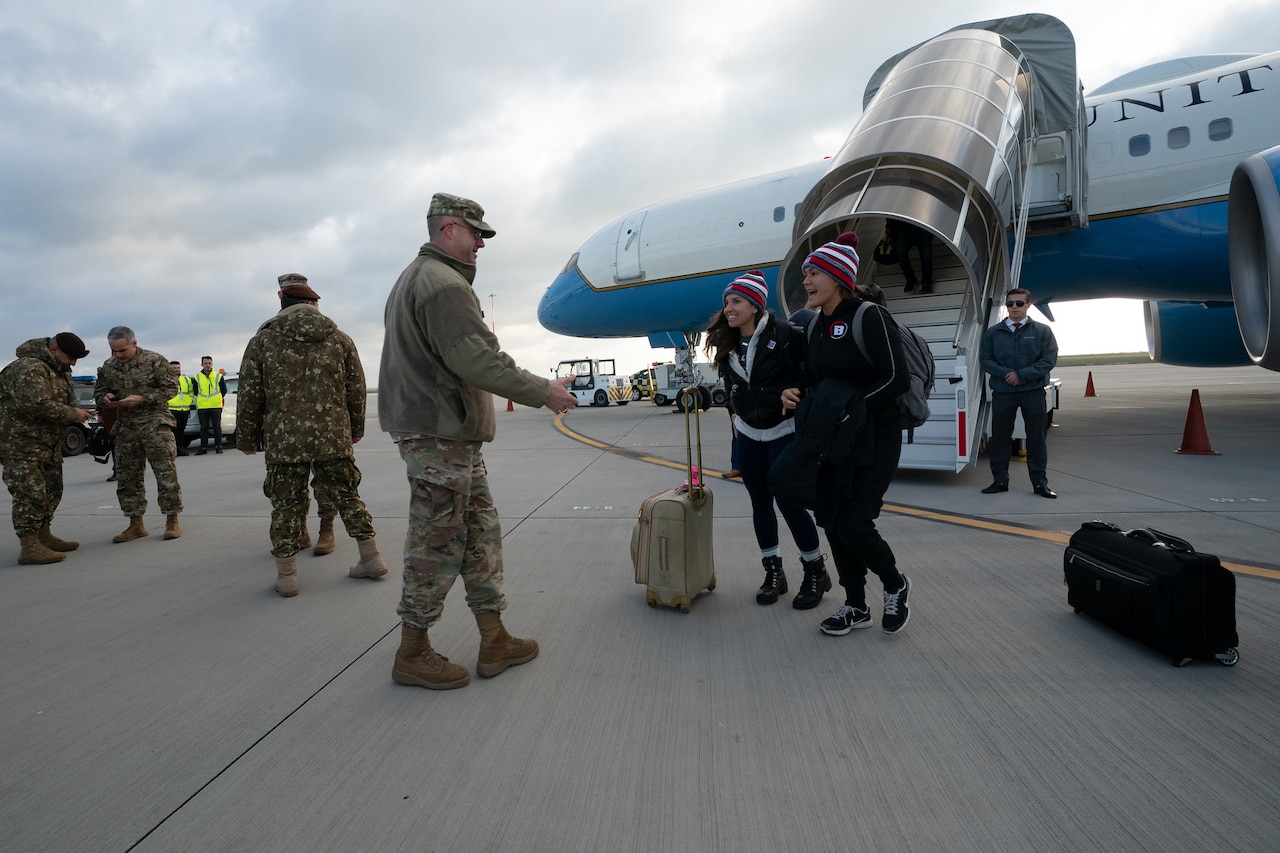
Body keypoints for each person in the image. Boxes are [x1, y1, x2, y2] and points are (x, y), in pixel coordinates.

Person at [379, 192, 579, 691]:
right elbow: (476, 359)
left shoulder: (419, 278)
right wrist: (543, 390)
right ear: (448, 229)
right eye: (476, 234)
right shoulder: (442, 284)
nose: (480, 245)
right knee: (437, 541)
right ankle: (412, 651)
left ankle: (494, 638)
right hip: (439, 434)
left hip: (449, 435)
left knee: (478, 535)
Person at [780, 232, 913, 636]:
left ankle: (894, 584)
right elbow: (816, 381)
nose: (807, 281)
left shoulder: (868, 316)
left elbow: (897, 378)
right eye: (806, 273)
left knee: (855, 523)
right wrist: (793, 392)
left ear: (839, 277)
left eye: (815, 272)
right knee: (833, 522)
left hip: (876, 437)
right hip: (838, 440)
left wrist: (851, 409)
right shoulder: (816, 326)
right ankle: (855, 605)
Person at [237, 273, 389, 597]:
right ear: (312, 303)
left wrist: (248, 439)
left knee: (285, 506)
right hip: (332, 436)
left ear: (282, 301)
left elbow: (250, 393)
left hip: (284, 440)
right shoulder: (339, 338)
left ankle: (288, 576)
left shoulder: (262, 340)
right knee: (348, 496)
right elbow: (356, 389)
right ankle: (371, 557)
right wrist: (355, 430)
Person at [703, 271, 827, 608]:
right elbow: (734, 389)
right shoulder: (727, 344)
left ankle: (815, 568)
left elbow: (810, 378)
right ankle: (774, 571)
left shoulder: (787, 335)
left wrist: (794, 392)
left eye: (736, 301)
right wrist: (735, 415)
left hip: (782, 432)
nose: (729, 308)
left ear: (756, 306)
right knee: (760, 503)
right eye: (727, 302)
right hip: (748, 433)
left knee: (789, 502)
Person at [0, 333, 93, 564]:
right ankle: (29, 547)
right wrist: (73, 414)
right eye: (71, 357)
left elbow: (65, 400)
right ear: (53, 350)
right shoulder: (29, 368)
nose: (73, 363)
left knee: (52, 491)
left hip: (47, 443)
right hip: (20, 444)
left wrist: (79, 409)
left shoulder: (58, 370)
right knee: (30, 495)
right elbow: (35, 404)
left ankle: (43, 536)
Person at [94, 326, 183, 542]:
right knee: (127, 477)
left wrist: (142, 398)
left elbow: (171, 389)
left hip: (155, 423)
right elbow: (98, 391)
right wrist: (104, 398)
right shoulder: (108, 366)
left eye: (122, 350)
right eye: (114, 351)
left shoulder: (155, 361)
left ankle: (172, 520)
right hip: (126, 426)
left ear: (134, 343)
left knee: (165, 473)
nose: (118, 355)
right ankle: (135, 524)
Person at [978, 287, 1060, 498]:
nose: (1014, 307)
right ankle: (999, 481)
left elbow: (1048, 360)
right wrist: (1008, 374)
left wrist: (1022, 375)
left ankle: (1040, 483)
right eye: (1010, 304)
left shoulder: (1042, 331)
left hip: (1032, 392)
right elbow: (986, 359)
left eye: (1019, 303)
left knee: (1036, 439)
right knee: (1000, 438)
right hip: (1003, 392)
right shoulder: (993, 333)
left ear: (1028, 305)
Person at [193, 355, 228, 454]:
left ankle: (218, 446)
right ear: (202, 364)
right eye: (205, 363)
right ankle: (203, 448)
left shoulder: (218, 376)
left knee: (217, 427)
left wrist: (216, 399)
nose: (207, 365)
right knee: (203, 428)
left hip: (215, 405)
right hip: (202, 406)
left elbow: (224, 390)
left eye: (209, 363)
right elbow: (195, 391)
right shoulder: (197, 377)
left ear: (212, 364)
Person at [890, 220, 934, 294]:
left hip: (924, 224)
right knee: (901, 253)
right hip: (906, 224)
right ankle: (911, 278)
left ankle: (926, 282)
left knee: (926, 256)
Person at [167, 361, 194, 456]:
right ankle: (173, 449)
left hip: (184, 408)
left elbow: (190, 392)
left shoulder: (186, 379)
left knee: (182, 430)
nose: (177, 369)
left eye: (178, 368)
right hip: (172, 409)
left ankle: (180, 448)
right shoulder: (167, 380)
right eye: (174, 368)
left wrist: (189, 401)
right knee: (173, 431)